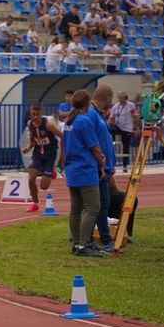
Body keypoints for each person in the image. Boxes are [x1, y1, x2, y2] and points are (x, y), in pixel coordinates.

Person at [63, 89, 107, 256]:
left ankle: (76, 243)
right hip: (85, 169)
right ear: (88, 103)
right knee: (93, 206)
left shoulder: (69, 122)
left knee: (75, 208)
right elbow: (94, 147)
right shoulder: (84, 121)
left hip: (72, 169)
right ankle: (83, 244)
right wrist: (101, 164)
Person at [89, 85, 118, 250]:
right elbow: (93, 143)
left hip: (104, 167)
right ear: (107, 98)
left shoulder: (98, 114)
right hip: (98, 168)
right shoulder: (92, 114)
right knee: (100, 204)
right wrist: (101, 165)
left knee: (103, 203)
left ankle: (104, 238)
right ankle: (104, 239)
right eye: (111, 99)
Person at [21, 102, 64, 212]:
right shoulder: (30, 124)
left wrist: (63, 157)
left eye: (37, 114)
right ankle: (35, 203)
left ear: (42, 113)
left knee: (44, 187)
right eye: (33, 114)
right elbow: (32, 141)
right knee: (31, 178)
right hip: (37, 154)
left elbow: (63, 137)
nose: (35, 117)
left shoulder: (49, 124)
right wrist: (27, 148)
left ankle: (52, 170)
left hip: (50, 155)